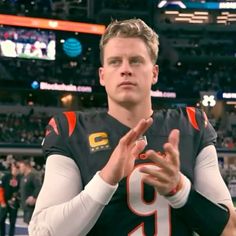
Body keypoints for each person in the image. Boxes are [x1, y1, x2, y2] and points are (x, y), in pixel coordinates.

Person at [29, 18, 236, 236]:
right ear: (102, 75)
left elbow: (230, 229)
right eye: (115, 62)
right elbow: (43, 232)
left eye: (136, 61)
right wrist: (106, 178)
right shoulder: (71, 129)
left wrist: (180, 190)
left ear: (154, 73)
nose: (125, 69)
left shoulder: (191, 124)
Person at [17, 157, 42, 224]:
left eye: (21, 166)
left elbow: (39, 187)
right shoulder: (23, 177)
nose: (20, 168)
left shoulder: (33, 176)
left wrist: (33, 197)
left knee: (31, 226)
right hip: (25, 206)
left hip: (31, 208)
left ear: (26, 166)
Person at [0, 161, 21, 236]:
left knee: (12, 222)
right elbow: (1, 190)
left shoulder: (20, 178)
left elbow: (21, 190)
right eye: (15, 167)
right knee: (1, 220)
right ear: (12, 167)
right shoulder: (5, 177)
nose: (16, 169)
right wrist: (2, 201)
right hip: (4, 203)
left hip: (14, 204)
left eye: (17, 168)